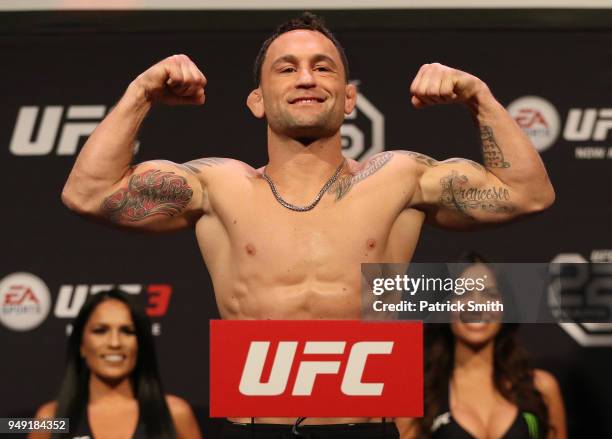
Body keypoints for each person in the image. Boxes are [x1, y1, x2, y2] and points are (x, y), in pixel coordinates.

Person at [60, 11, 555, 437]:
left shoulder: (400, 179)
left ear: (348, 99)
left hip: (369, 427)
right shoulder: (217, 187)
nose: (306, 78)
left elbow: (528, 193)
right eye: (287, 68)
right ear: (256, 100)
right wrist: (141, 91)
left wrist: (479, 97)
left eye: (323, 67)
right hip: (253, 428)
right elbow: (88, 193)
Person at [396, 256, 567, 439]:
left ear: (504, 308)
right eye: (463, 294)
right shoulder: (420, 392)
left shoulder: (540, 388)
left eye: (489, 295)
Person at [29, 289, 202, 439]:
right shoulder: (50, 419)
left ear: (140, 343)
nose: (114, 343)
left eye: (127, 331)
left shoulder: (174, 414)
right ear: (81, 345)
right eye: (100, 331)